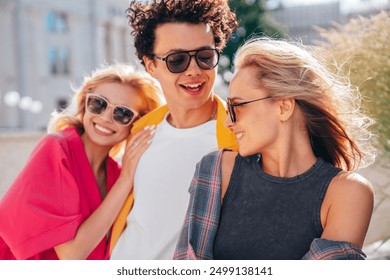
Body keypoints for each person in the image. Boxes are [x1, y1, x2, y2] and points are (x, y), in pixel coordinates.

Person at [174, 38, 377, 260]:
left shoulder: (347, 193)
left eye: (236, 107)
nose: (227, 122)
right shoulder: (214, 170)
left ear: (284, 107)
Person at [109, 0, 238, 259]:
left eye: (204, 57)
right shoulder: (138, 130)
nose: (194, 71)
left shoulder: (239, 138)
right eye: (177, 60)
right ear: (151, 65)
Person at [0, 64, 164, 259]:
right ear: (85, 103)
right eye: (98, 104)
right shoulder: (57, 149)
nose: (105, 118)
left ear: (137, 123)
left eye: (122, 113)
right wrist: (126, 179)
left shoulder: (118, 173)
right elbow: (72, 256)